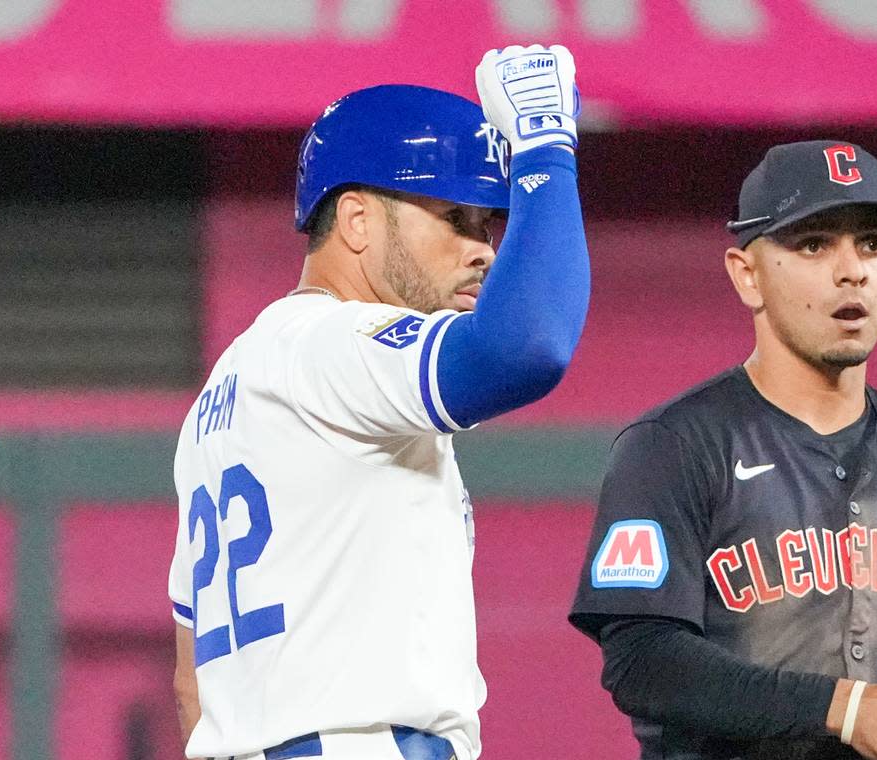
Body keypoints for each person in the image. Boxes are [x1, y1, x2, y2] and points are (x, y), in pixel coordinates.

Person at [168, 44, 587, 760]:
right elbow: (528, 346)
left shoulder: (226, 387)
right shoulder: (330, 344)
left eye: (488, 223)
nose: (484, 247)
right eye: (454, 216)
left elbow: (190, 684)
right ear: (357, 221)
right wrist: (547, 148)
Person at [569, 140, 877, 760]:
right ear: (746, 274)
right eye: (813, 244)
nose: (852, 269)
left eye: (873, 244)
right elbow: (644, 660)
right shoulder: (674, 446)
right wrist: (845, 707)